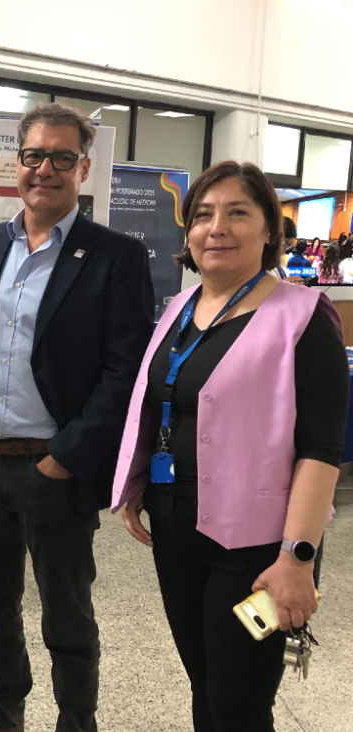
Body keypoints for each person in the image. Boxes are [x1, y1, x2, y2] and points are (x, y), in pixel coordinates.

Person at [0, 102, 155, 732]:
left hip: (53, 468)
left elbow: (123, 376)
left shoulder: (114, 257)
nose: (45, 170)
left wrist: (67, 455)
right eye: (34, 156)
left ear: (83, 167)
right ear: (18, 164)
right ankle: (1, 714)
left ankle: (75, 723)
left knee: (67, 612)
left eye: (62, 158)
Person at [113, 161, 347, 732]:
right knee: (205, 687)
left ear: (270, 229)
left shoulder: (303, 316)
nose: (217, 227)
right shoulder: (178, 309)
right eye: (203, 215)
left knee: (240, 705)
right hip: (175, 526)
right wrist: (137, 480)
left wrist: (298, 558)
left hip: (258, 545)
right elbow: (164, 403)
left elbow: (321, 449)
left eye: (238, 212)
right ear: (188, 233)